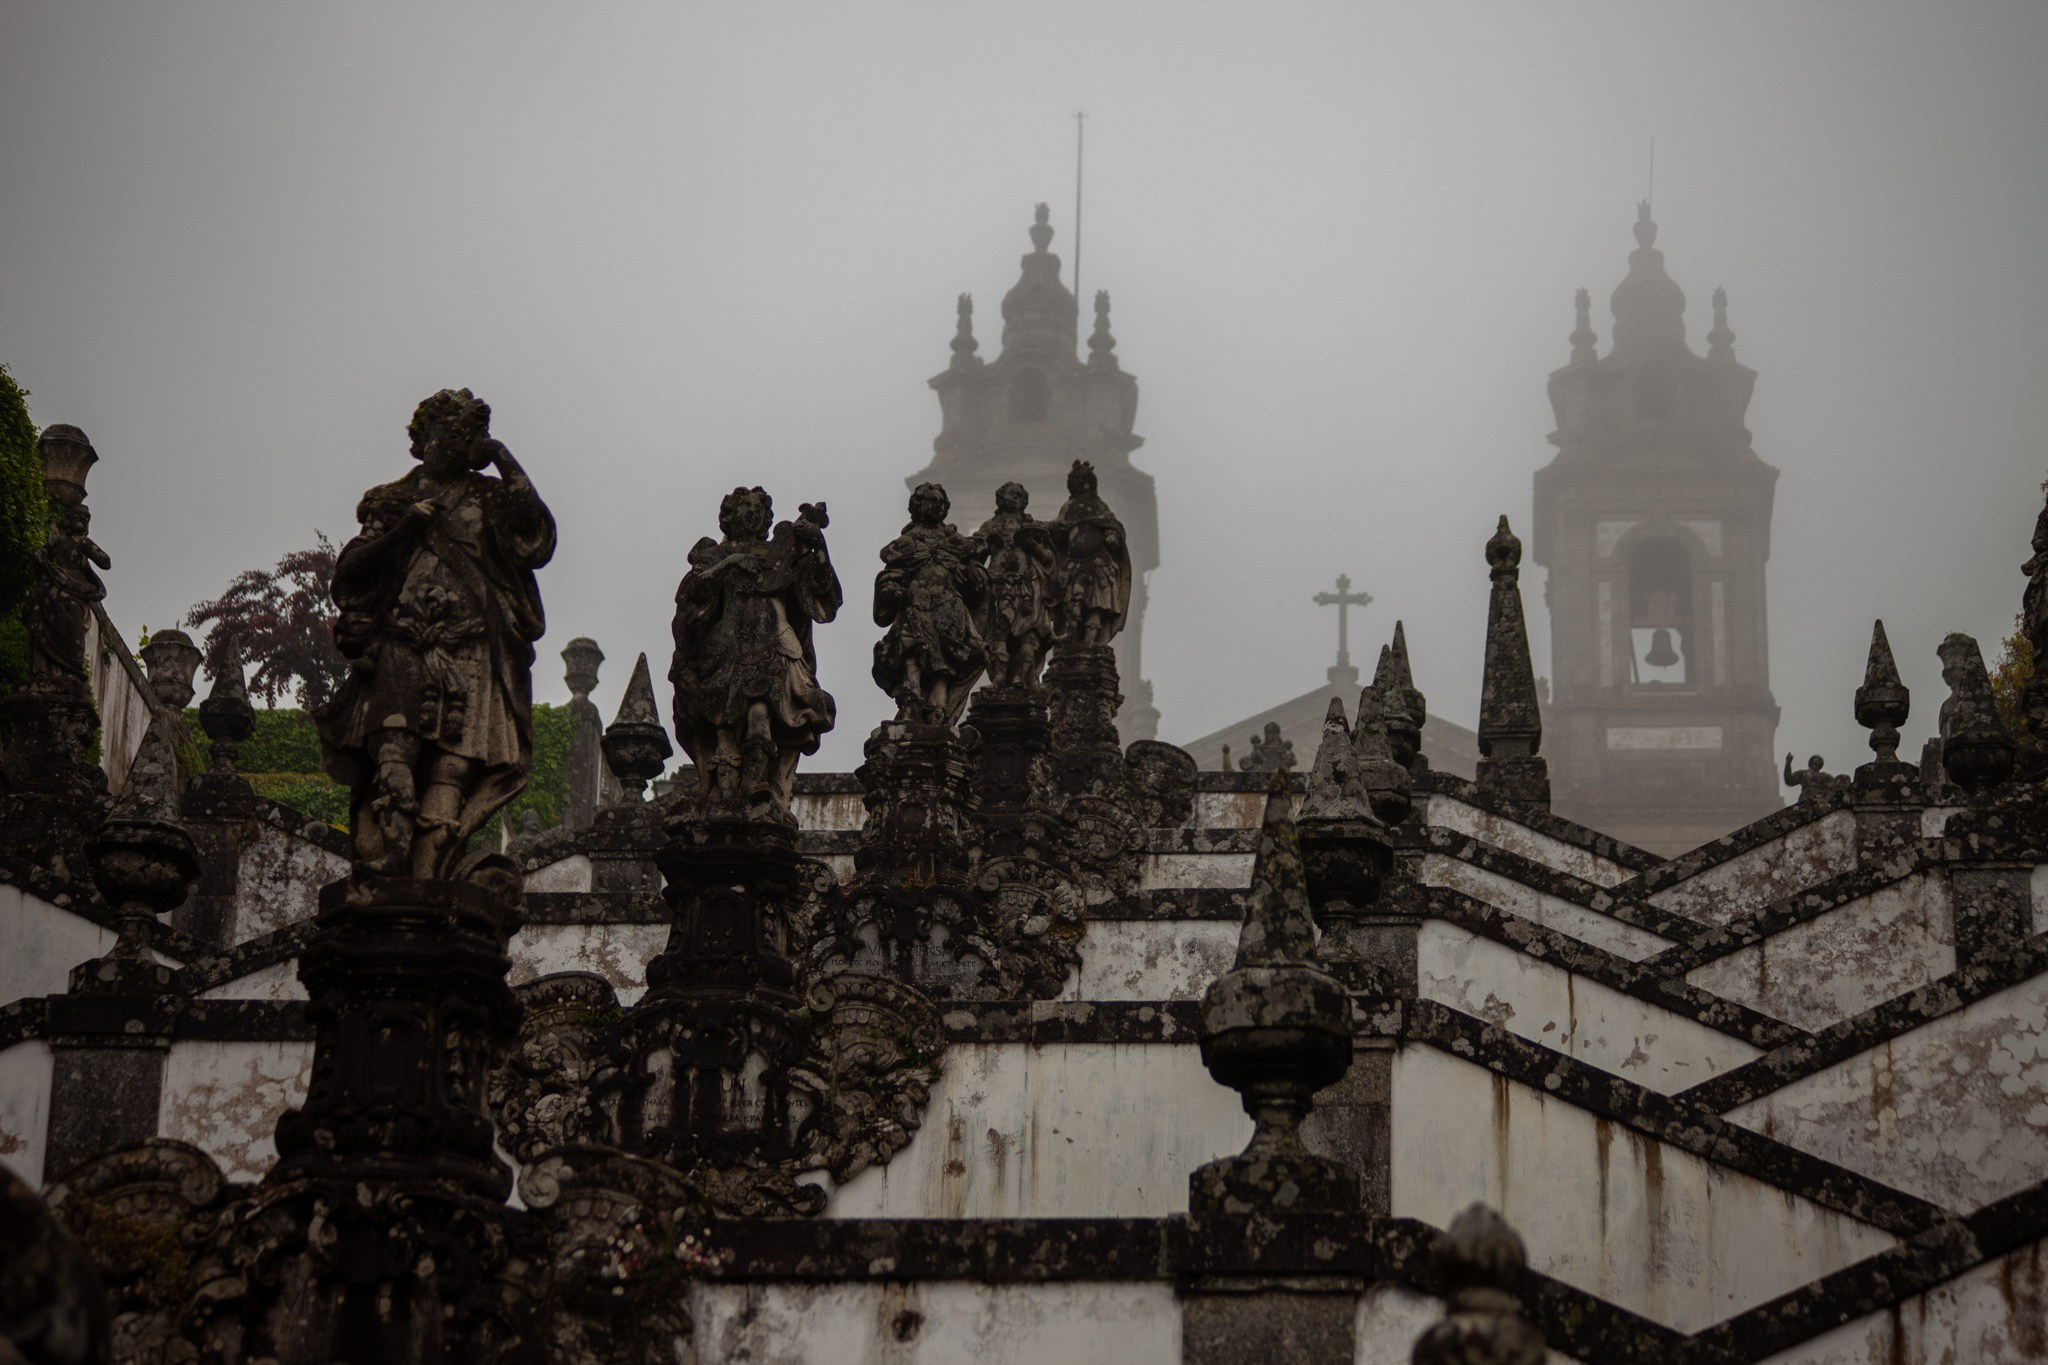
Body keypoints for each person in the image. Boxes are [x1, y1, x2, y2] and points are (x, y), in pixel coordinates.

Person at [317, 389, 556, 880]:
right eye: (450, 432)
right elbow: (350, 577)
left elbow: (534, 539)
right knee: (394, 751)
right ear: (423, 437)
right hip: (402, 642)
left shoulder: (491, 498)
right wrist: (403, 530)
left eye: (469, 435)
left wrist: (501, 456)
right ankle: (390, 860)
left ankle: (430, 874)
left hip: (474, 647)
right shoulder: (391, 500)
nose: (459, 443)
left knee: (455, 765)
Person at [671, 486, 841, 817]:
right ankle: (724, 790)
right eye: (743, 506)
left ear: (765, 518)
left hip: (775, 646)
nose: (750, 513)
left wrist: (818, 545)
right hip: (725, 650)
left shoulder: (780, 554)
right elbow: (693, 597)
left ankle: (756, 783)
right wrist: (731, 563)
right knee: (723, 722)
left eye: (756, 508)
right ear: (728, 515)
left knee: (761, 716)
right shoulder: (713, 555)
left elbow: (821, 597)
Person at [872, 483, 987, 725]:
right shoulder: (906, 543)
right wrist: (891, 590)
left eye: (941, 503)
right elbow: (891, 574)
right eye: (931, 501)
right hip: (914, 607)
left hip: (949, 607)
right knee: (911, 651)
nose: (937, 506)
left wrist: (971, 572)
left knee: (943, 663)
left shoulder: (954, 540)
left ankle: (938, 713)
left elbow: (974, 573)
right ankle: (911, 703)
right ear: (917, 506)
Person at [974, 481, 1057, 691]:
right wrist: (986, 544)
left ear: (1025, 501)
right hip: (998, 586)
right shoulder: (990, 526)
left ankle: (1020, 676)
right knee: (998, 633)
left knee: (1029, 633)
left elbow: (1048, 557)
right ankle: (999, 677)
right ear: (1000, 498)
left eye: (1019, 495)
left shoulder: (1033, 527)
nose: (1014, 499)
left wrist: (1032, 545)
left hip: (1027, 587)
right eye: (1010, 494)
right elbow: (973, 555)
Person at [1052, 460, 1131, 648]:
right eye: (1077, 480)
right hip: (1074, 566)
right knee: (1072, 605)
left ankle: (1091, 644)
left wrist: (1112, 537)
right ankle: (1070, 641)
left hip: (1099, 564)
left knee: (1097, 605)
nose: (1081, 483)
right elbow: (1059, 532)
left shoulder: (1098, 506)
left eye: (1084, 479)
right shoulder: (1069, 507)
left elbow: (1111, 525)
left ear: (1091, 482)